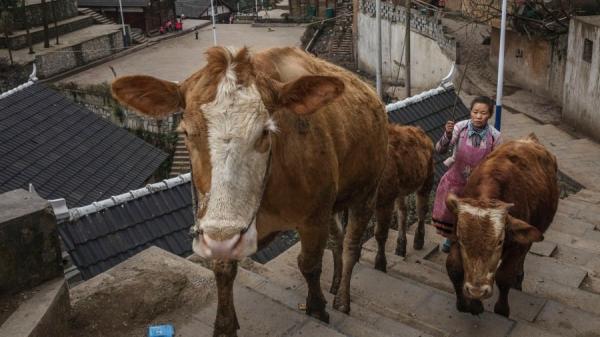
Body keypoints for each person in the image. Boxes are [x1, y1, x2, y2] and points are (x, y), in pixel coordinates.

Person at [431, 96, 503, 252]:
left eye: (483, 113)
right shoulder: (459, 127)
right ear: (470, 112)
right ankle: (451, 238)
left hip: (478, 184)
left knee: (472, 216)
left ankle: (468, 242)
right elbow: (439, 149)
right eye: (475, 112)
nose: (478, 116)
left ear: (489, 115)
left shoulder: (495, 136)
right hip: (456, 179)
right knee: (452, 212)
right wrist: (447, 134)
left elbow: (496, 162)